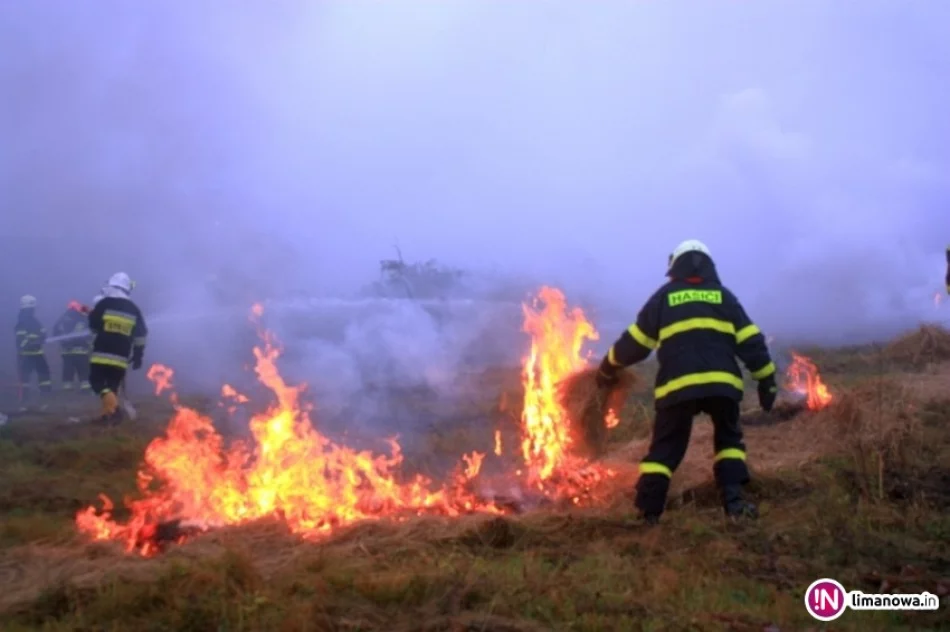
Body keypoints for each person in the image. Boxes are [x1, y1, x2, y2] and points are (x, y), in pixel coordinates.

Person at [595, 239, 777, 524]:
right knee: (729, 441)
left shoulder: (664, 298)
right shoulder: (724, 297)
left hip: (677, 388)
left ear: (675, 268)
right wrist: (767, 381)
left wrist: (608, 366)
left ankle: (648, 514)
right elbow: (751, 342)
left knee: (665, 450)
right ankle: (734, 503)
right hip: (722, 386)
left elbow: (636, 342)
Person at [87, 273, 148, 424]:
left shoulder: (104, 303)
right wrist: (138, 356)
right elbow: (141, 334)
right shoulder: (133, 309)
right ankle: (108, 417)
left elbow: (93, 325)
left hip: (102, 352)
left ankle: (115, 411)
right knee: (112, 386)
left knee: (97, 383)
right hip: (121, 357)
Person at [14, 295, 52, 409]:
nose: (34, 310)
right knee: (25, 378)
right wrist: (30, 343)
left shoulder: (34, 320)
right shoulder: (21, 322)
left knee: (44, 375)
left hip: (38, 354)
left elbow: (43, 332)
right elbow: (20, 340)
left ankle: (46, 396)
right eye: (32, 308)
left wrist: (41, 337)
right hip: (26, 356)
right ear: (28, 308)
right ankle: (24, 400)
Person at [52, 300, 93, 391]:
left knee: (68, 370)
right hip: (81, 351)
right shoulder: (83, 318)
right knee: (83, 370)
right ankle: (85, 389)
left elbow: (55, 333)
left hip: (66, 351)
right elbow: (90, 333)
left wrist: (64, 342)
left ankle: (67, 389)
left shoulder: (62, 319)